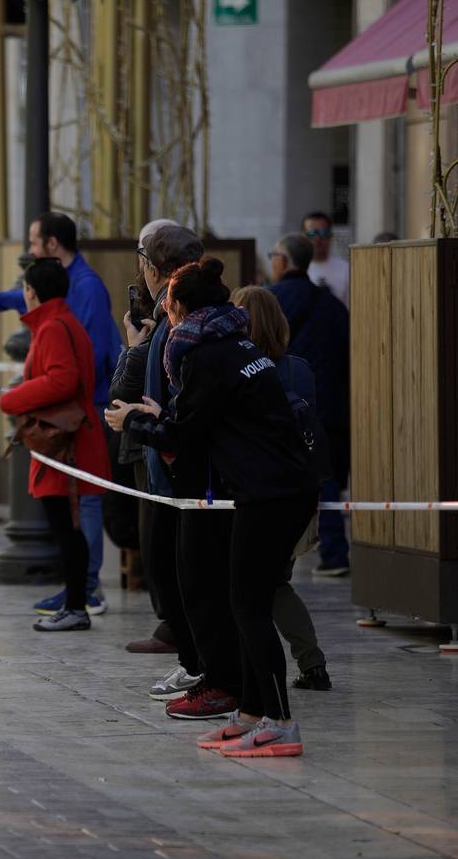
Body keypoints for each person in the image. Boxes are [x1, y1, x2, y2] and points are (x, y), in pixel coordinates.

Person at [109, 258, 319, 758]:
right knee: (240, 600)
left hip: (272, 493)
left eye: (168, 307)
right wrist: (163, 416)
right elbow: (211, 419)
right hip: (276, 487)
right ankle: (250, 712)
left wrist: (132, 424)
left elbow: (186, 438)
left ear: (178, 308)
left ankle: (279, 722)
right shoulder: (235, 344)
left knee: (248, 605)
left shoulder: (203, 357)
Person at [0, 211, 122, 616]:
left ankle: (84, 591)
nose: (29, 250)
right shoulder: (59, 300)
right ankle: (75, 590)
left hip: (78, 420)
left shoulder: (77, 297)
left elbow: (76, 368)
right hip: (72, 417)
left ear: (52, 245)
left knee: (78, 510)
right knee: (70, 513)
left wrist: (16, 397)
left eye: (34, 243)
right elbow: (35, 299)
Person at [125, 225, 242, 719]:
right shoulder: (199, 335)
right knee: (180, 574)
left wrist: (144, 423)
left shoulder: (199, 342)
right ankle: (214, 676)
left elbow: (185, 419)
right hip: (181, 470)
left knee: (207, 586)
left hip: (201, 478)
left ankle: (232, 688)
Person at [0, 258, 110, 632]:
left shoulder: (54, 327)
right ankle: (75, 603)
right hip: (67, 439)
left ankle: (76, 606)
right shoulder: (60, 322)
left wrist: (14, 397)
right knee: (67, 526)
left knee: (67, 527)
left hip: (66, 443)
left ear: (31, 291)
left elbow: (62, 380)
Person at [231, 285, 331, 691]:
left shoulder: (240, 373)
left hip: (259, 494)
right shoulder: (300, 370)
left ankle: (298, 667)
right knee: (275, 581)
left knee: (262, 587)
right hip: (303, 490)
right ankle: (311, 664)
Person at [110, 218, 183, 658]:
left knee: (162, 540)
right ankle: (176, 630)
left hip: (164, 440)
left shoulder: (175, 313)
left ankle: (181, 636)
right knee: (152, 536)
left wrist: (135, 347)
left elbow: (124, 387)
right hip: (154, 437)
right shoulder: (160, 309)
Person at [269, 233, 351, 577]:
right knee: (328, 480)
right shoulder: (332, 305)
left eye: (274, 254)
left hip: (284, 409)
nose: (271, 259)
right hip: (330, 408)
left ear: (285, 262)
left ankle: (278, 553)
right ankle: (333, 552)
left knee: (278, 481)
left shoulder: (271, 302)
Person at [301, 212, 349, 307]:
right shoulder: (296, 269)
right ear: (303, 236)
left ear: (330, 236)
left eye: (323, 233)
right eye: (311, 233)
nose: (317, 238)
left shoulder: (346, 268)